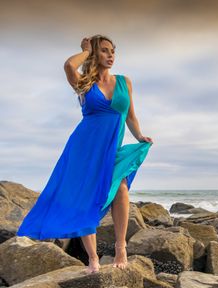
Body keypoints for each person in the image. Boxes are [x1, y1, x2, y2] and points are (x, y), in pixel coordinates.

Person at [16, 35, 154, 274]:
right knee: (84, 198)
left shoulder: (124, 82)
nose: (110, 55)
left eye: (112, 51)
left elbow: (130, 115)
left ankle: (120, 247)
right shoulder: (84, 84)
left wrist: (139, 135)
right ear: (93, 54)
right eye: (104, 51)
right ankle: (92, 257)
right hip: (83, 149)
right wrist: (85, 50)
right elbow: (69, 65)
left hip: (110, 149)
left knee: (120, 187)